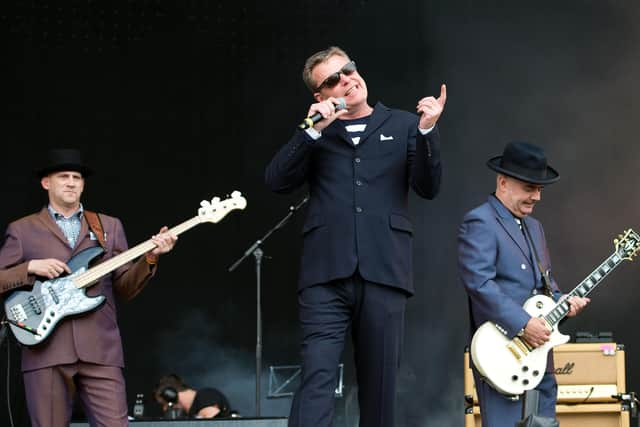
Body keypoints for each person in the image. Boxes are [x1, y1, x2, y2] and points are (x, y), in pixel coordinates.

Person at [265, 46, 446, 427]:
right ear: (321, 96)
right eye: (332, 80)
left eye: (347, 69)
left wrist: (428, 130)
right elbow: (276, 180)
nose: (346, 80)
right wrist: (312, 130)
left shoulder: (402, 125)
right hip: (325, 274)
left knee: (379, 388)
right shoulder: (317, 133)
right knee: (317, 377)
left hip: (384, 271)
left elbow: (429, 187)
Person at [0, 148, 177, 427]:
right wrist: (30, 268)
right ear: (46, 183)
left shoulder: (109, 226)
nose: (71, 182)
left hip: (101, 349)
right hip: (46, 350)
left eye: (77, 177)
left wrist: (151, 257)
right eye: (63, 176)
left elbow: (125, 287)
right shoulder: (22, 229)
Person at [457, 141, 590, 427]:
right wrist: (523, 323)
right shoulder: (480, 221)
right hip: (503, 353)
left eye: (540, 189)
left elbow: (546, 286)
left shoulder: (534, 227)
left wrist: (563, 302)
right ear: (503, 182)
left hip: (540, 356)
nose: (537, 197)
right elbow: (479, 283)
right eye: (530, 188)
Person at [152, 373, 232, 419]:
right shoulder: (191, 413)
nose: (164, 408)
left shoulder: (205, 396)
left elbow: (211, 423)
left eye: (164, 403)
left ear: (171, 395)